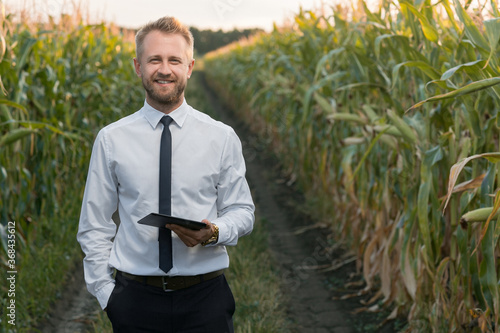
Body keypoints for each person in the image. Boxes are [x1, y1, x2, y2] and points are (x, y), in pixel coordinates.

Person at [77, 16, 255, 333]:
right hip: (134, 301)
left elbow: (242, 211)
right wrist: (107, 295)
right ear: (138, 66)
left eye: (174, 60)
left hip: (206, 299)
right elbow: (94, 225)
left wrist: (214, 231)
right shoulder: (111, 139)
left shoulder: (221, 137)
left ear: (189, 67)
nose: (164, 69)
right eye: (154, 59)